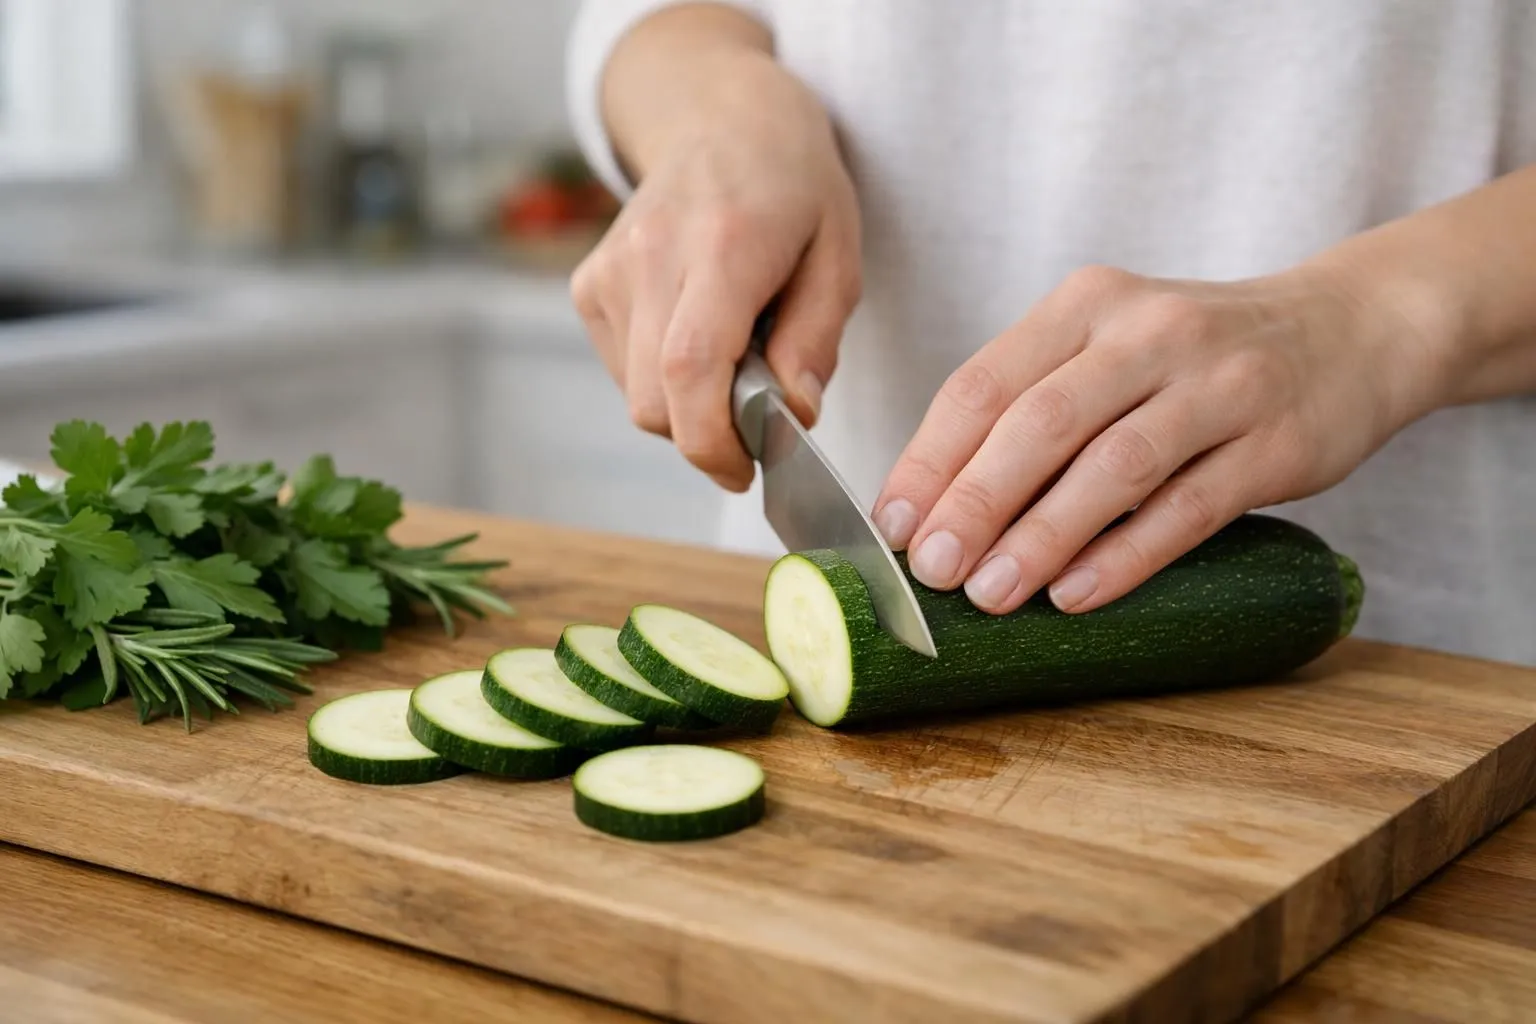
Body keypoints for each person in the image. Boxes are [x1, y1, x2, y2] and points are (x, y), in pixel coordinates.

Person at [564, 0, 1536, 666]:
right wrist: (714, 105)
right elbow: (650, 17)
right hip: (817, 593)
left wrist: (1382, 314)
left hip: (1419, 664)